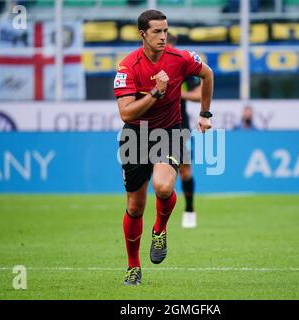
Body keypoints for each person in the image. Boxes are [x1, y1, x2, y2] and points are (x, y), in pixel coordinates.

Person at [114, 9, 214, 286]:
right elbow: (127, 114)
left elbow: (208, 74)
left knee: (164, 186)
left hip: (170, 132)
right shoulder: (127, 67)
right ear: (142, 34)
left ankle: (160, 230)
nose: (162, 36)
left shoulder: (180, 58)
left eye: (165, 30)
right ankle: (133, 267)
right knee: (135, 207)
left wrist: (205, 114)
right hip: (135, 135)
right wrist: (156, 92)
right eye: (156, 31)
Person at [167, 32, 201, 229]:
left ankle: (189, 209)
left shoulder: (182, 65)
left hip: (180, 124)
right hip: (155, 124)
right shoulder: (150, 65)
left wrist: (180, 93)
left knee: (185, 170)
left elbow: (198, 95)